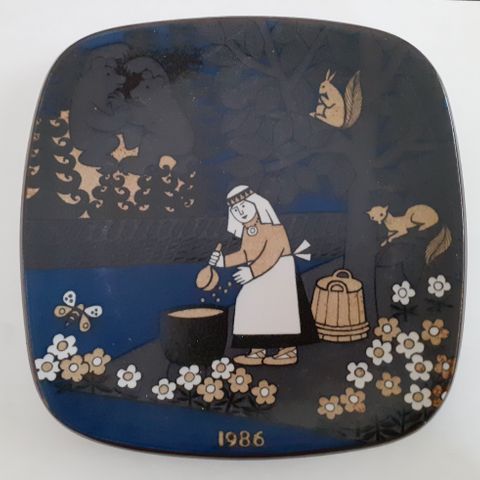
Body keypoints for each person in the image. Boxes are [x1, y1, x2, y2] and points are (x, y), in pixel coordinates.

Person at [209, 185, 316, 366]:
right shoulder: (248, 230)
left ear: (256, 204)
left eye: (244, 206)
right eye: (235, 210)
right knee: (249, 305)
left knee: (280, 310)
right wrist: (223, 261)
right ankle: (257, 349)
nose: (240, 212)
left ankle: (287, 351)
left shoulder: (272, 227)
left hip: (279, 274)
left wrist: (252, 272)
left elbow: (273, 252)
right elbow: (247, 253)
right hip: (260, 274)